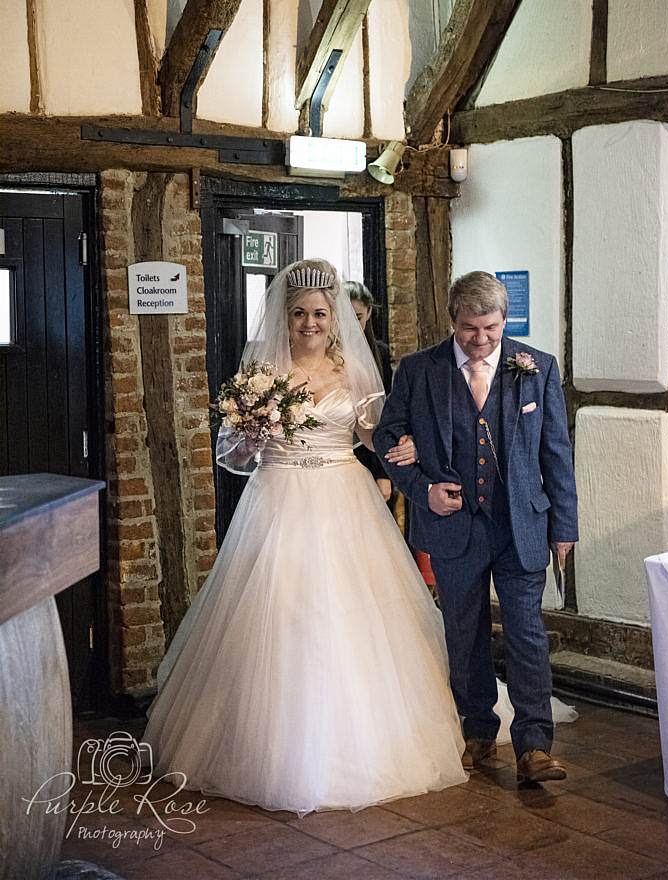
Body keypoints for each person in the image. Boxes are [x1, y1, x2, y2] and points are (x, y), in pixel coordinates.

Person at [143, 259, 474, 816]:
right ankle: (267, 745)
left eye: (319, 312)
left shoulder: (354, 373)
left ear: (335, 317)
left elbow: (376, 434)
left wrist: (406, 451)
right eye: (299, 313)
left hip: (345, 497)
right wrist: (255, 428)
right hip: (277, 499)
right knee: (280, 610)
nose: (309, 322)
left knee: (352, 612)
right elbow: (236, 453)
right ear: (284, 317)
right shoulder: (262, 375)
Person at [374, 271, 579, 784]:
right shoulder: (419, 370)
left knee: (527, 633)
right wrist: (421, 487)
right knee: (463, 632)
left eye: (490, 328)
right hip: (453, 526)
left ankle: (535, 745)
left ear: (503, 321)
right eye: (469, 328)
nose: (481, 339)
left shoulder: (538, 369)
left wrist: (565, 525)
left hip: (521, 526)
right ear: (453, 320)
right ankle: (479, 732)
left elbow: (556, 453)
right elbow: (387, 435)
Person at [344, 280, 394, 503]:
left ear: (369, 313)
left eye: (358, 317)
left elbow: (385, 418)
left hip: (372, 457)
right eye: (345, 318)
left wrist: (383, 473)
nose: (351, 326)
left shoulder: (379, 354)